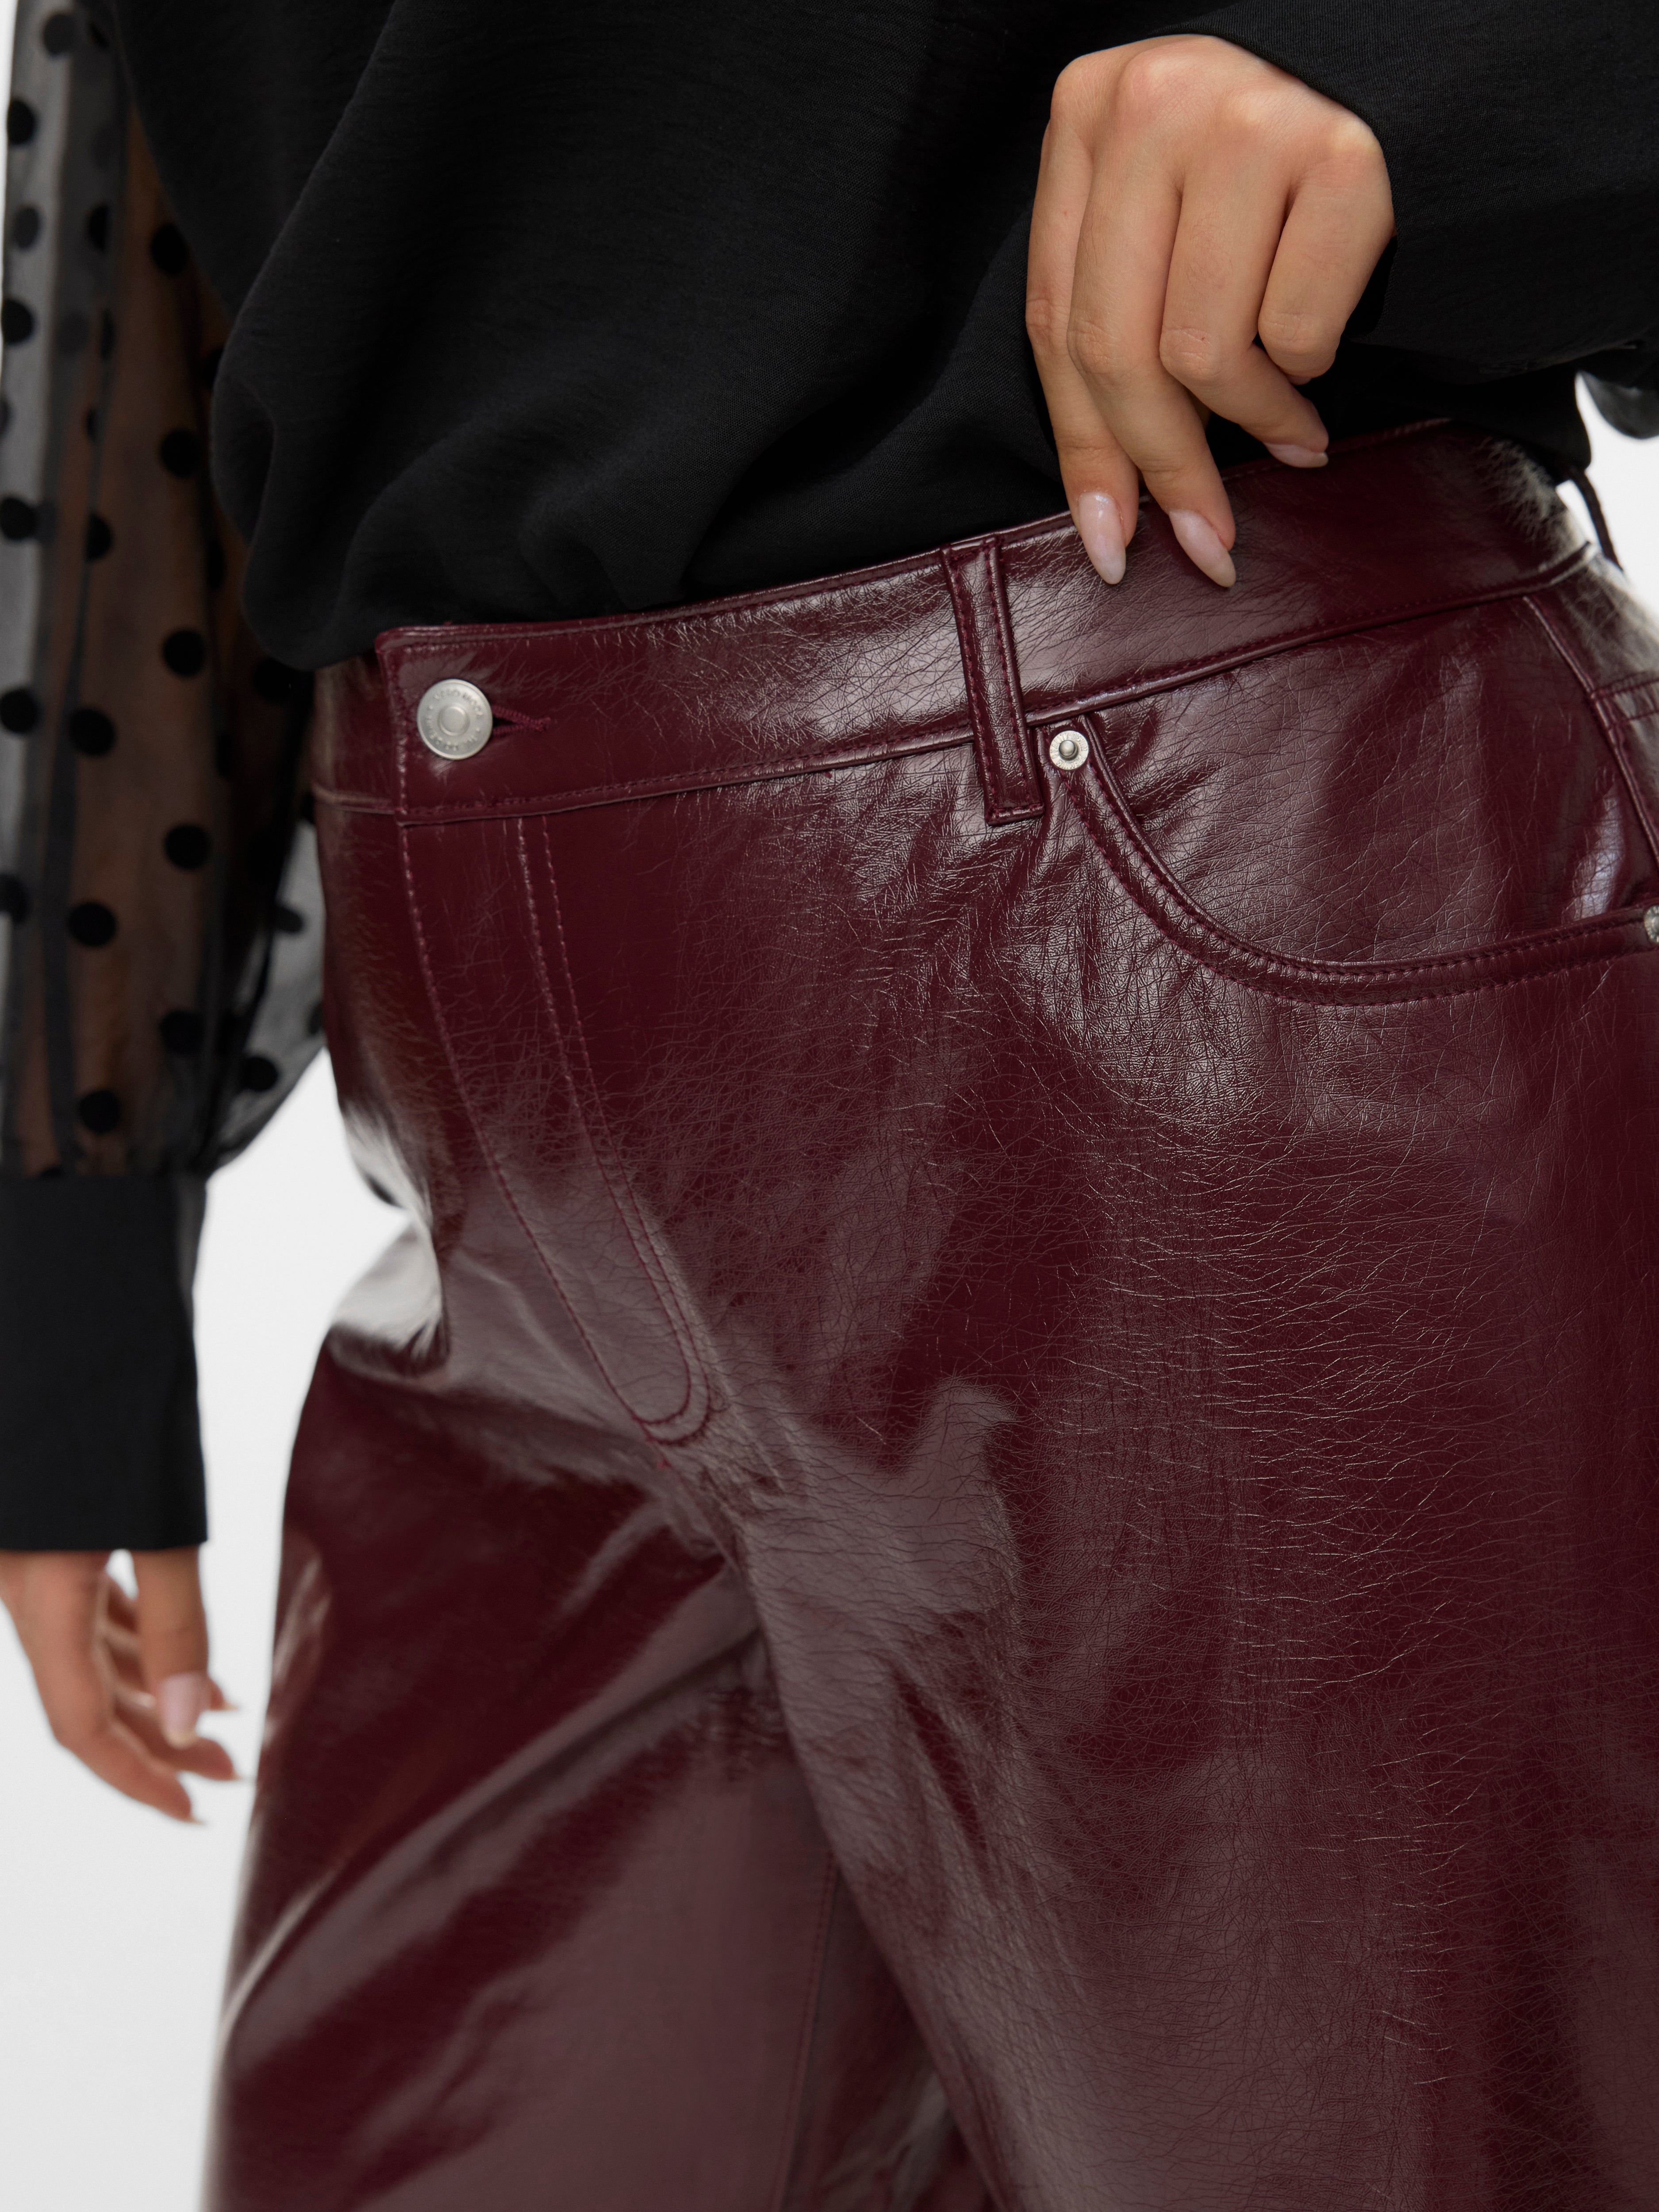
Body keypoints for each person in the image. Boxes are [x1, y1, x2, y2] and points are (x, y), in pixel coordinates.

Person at [2, 2, 1658, 2204]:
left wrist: (1466, 67)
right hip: (515, 1150)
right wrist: (71, 1234)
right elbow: (159, 179)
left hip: (1197, 925)